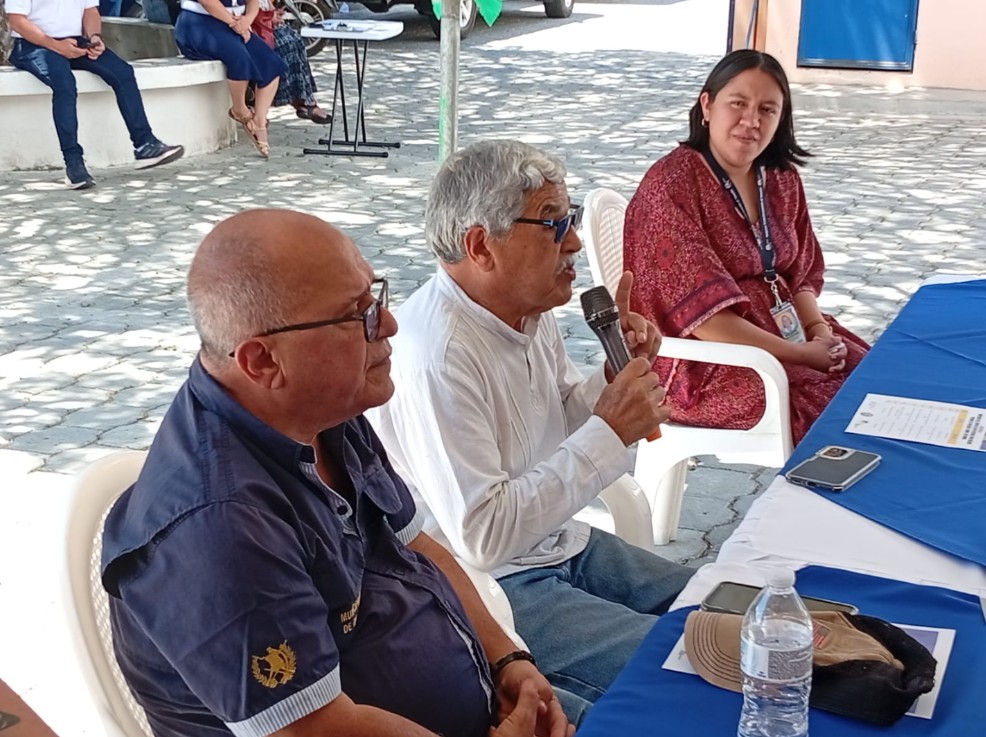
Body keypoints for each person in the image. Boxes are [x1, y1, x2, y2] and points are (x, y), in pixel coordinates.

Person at [100, 209, 574, 737]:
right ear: (262, 361)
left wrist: (508, 660)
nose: (388, 324)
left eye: (376, 297)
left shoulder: (321, 409)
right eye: (358, 314)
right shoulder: (218, 530)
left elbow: (417, 546)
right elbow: (316, 728)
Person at [369, 140, 695, 724]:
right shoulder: (439, 353)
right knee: (684, 668)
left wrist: (612, 382)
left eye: (570, 219)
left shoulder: (525, 307)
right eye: (552, 223)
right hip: (495, 587)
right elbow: (483, 537)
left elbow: (560, 416)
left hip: (558, 540)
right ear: (480, 246)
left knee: (718, 610)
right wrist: (610, 429)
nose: (573, 243)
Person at [623, 50, 870, 444]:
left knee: (878, 381)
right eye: (738, 103)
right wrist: (800, 354)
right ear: (707, 105)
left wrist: (818, 332)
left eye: (767, 110)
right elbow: (705, 320)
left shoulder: (779, 177)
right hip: (701, 363)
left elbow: (799, 276)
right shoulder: (671, 186)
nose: (751, 121)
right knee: (834, 411)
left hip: (783, 334)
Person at [6, 0, 184, 189]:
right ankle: (74, 164)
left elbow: (90, 10)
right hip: (33, 45)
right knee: (65, 85)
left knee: (123, 73)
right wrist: (56, 46)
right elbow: (17, 20)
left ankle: (145, 144)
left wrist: (95, 37)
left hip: (75, 41)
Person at [174, 0, 284, 158]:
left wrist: (248, 19)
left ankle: (259, 121)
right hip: (200, 23)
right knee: (240, 59)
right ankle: (240, 110)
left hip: (236, 24)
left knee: (271, 63)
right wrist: (235, 24)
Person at [254, 0, 331, 124]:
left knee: (296, 40)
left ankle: (304, 99)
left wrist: (273, 13)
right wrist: (267, 16)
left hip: (262, 20)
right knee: (285, 45)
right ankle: (296, 100)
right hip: (253, 24)